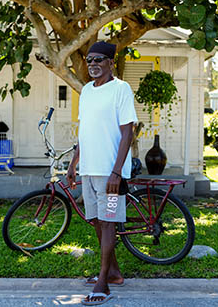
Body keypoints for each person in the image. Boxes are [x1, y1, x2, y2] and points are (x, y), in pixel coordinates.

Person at [66, 41, 137, 305]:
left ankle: (103, 282)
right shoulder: (86, 90)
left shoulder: (121, 89)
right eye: (89, 60)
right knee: (97, 220)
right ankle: (115, 272)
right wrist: (74, 164)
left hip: (110, 171)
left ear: (110, 63)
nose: (93, 64)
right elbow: (84, 130)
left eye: (98, 60)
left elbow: (128, 131)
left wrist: (116, 173)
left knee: (108, 222)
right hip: (89, 169)